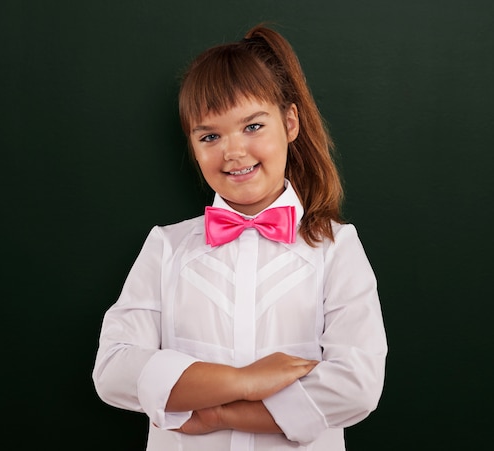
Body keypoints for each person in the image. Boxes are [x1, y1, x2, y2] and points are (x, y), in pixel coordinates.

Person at [92, 23, 387, 450]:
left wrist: (222, 413)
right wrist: (244, 380)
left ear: (289, 123)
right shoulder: (166, 247)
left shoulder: (337, 248)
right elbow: (114, 370)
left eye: (252, 126)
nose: (232, 151)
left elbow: (356, 385)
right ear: (193, 147)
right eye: (210, 135)